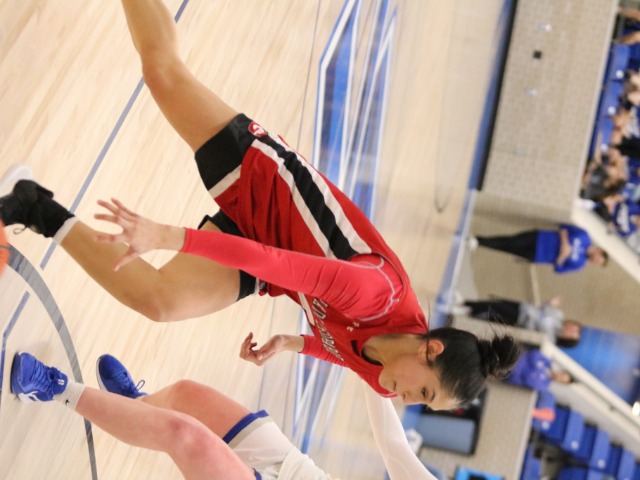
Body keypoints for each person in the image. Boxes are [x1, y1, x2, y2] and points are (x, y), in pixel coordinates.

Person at [0, 0, 519, 409]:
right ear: (430, 349)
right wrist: (167, 236)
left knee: (159, 302)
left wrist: (294, 344)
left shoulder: (385, 378)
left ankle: (33, 206)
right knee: (163, 73)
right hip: (267, 184)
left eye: (423, 403)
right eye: (424, 391)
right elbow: (277, 263)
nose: (408, 400)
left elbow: (343, 350)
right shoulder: (376, 293)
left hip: (267, 260)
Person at [11, 351, 440, 480]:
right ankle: (137, 406)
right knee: (187, 395)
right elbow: (393, 445)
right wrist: (368, 359)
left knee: (185, 435)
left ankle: (51, 387)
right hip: (294, 469)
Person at [468, 224, 608, 274]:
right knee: (512, 241)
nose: (595, 261)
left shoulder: (580, 264)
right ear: (599, 251)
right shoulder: (584, 236)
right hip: (541, 238)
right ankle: (479, 239)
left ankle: (479, 244)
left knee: (508, 249)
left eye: (597, 263)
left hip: (538, 255)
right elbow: (563, 227)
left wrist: (562, 256)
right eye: (598, 259)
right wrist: (565, 243)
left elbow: (559, 269)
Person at [461, 297, 581, 348]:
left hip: (520, 321)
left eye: (571, 333)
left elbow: (536, 330)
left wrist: (539, 318)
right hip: (523, 308)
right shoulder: (559, 315)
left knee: (493, 314)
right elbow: (545, 307)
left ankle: (467, 310)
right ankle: (467, 304)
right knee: (497, 304)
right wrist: (551, 303)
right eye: (573, 328)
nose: (570, 329)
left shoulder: (550, 339)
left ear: (567, 339)